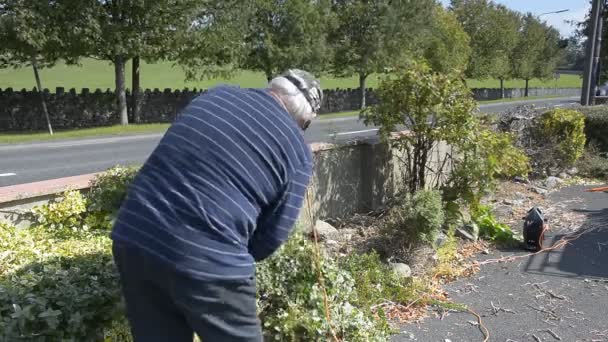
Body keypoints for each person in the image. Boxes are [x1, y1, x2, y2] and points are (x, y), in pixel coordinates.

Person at [110, 69, 323, 341]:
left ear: (273, 90)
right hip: (208, 261)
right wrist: (227, 254)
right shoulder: (298, 152)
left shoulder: (217, 95)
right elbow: (271, 236)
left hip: (135, 236)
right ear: (304, 119)